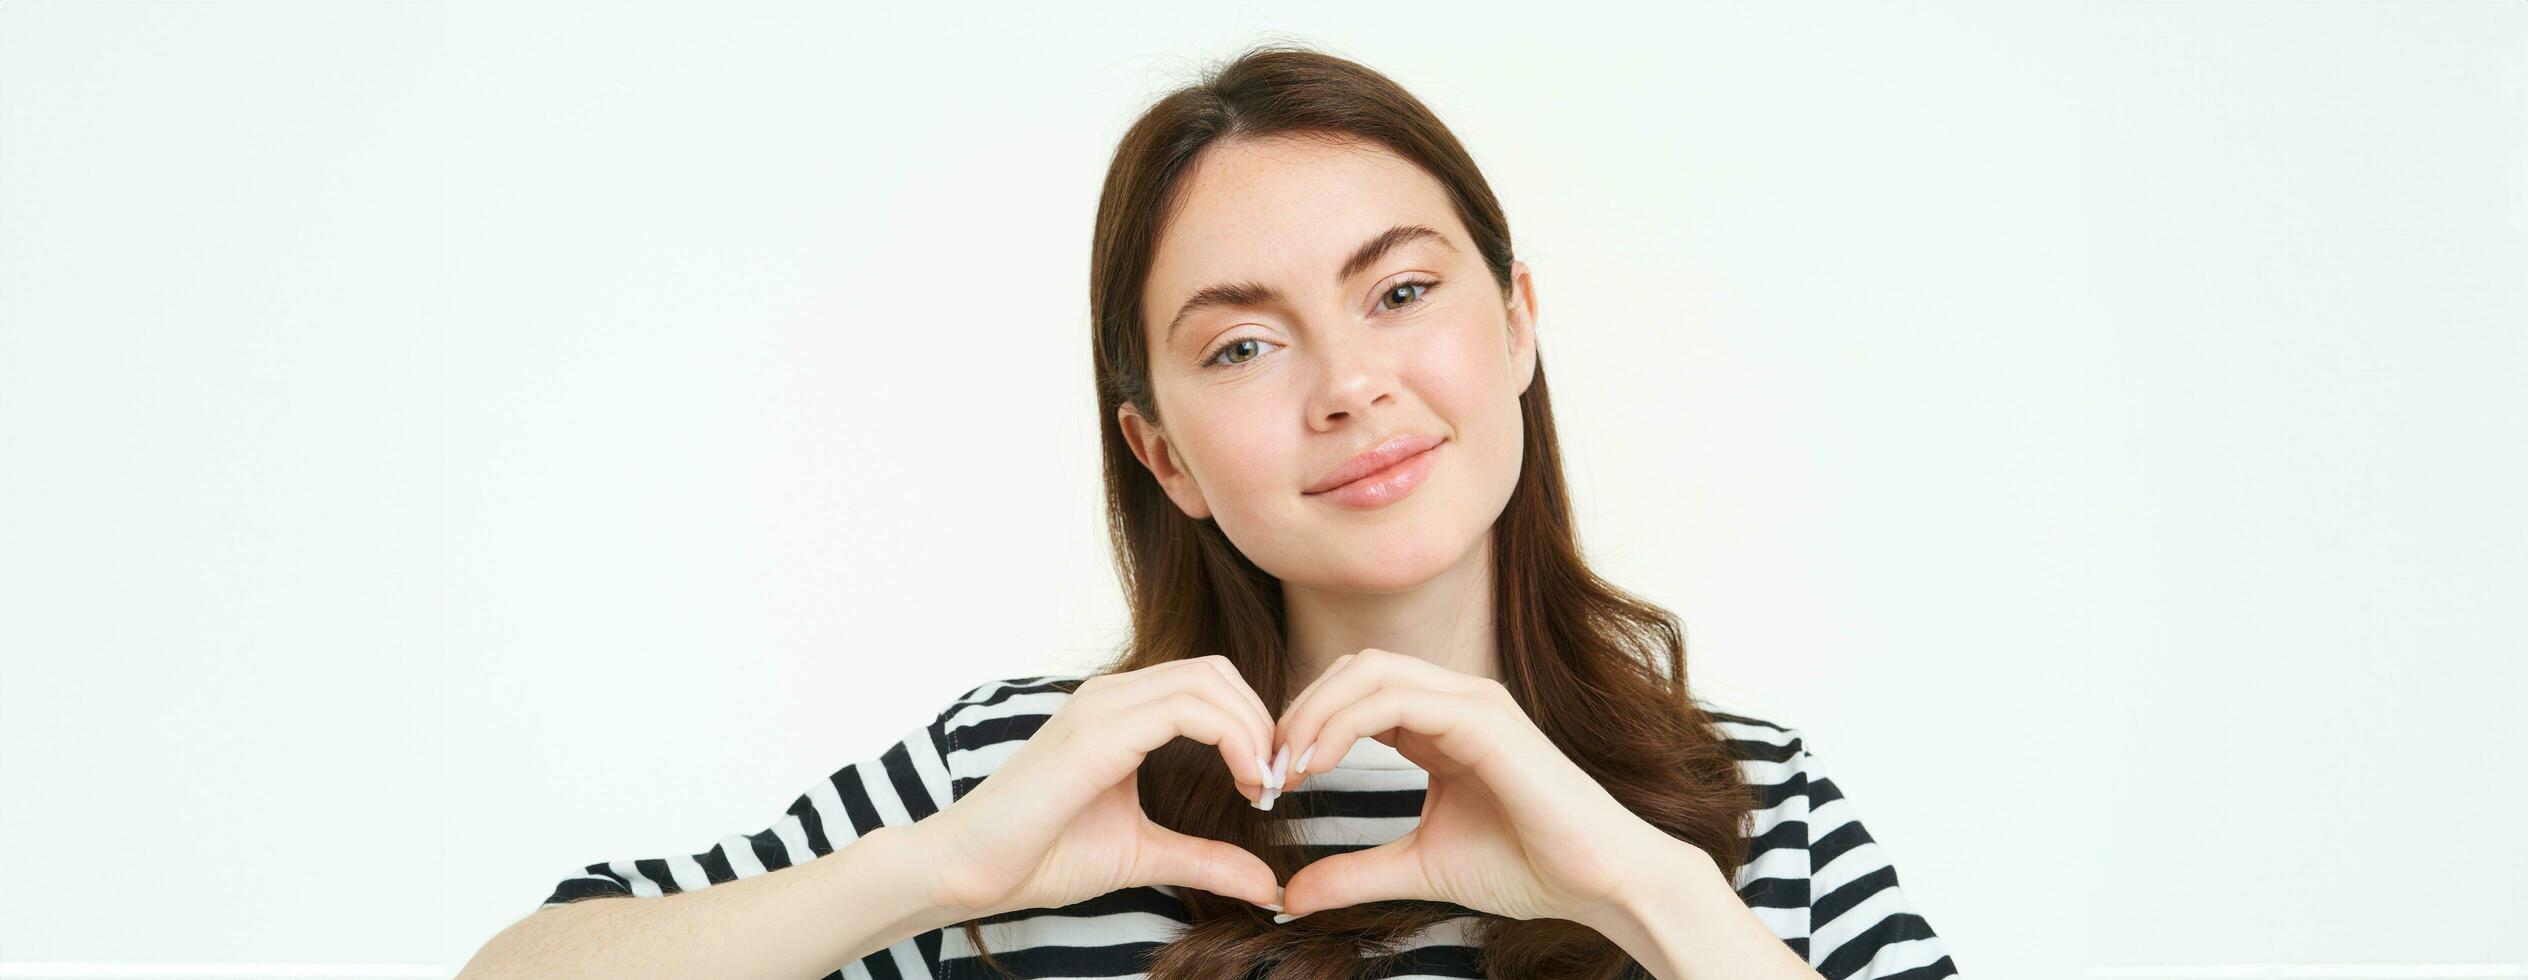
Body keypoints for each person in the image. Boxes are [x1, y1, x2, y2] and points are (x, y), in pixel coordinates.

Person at [458, 42, 1962, 980]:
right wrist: (944, 870)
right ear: (1163, 454)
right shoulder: (1042, 786)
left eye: (1402, 292)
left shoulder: (1750, 804)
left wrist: (1644, 891)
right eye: (1243, 344)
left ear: (1515, 321)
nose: (1348, 385)